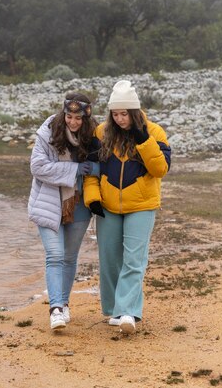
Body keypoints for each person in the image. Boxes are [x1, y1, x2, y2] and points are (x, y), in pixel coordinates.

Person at [84, 80, 171, 335]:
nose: (120, 119)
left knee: (134, 260)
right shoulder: (101, 133)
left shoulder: (155, 132)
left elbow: (160, 169)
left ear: (134, 112)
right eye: (115, 114)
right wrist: (93, 198)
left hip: (142, 205)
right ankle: (114, 309)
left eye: (124, 114)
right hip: (108, 206)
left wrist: (143, 140)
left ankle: (128, 312)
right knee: (110, 259)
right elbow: (91, 171)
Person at [28, 92, 101, 330]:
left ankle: (65, 303)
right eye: (69, 116)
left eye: (78, 118)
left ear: (86, 117)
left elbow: (104, 164)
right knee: (55, 255)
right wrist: (76, 169)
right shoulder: (48, 132)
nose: (73, 122)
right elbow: (38, 167)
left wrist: (94, 169)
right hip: (49, 202)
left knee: (69, 258)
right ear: (64, 113)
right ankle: (55, 309)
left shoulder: (94, 137)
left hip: (79, 205)